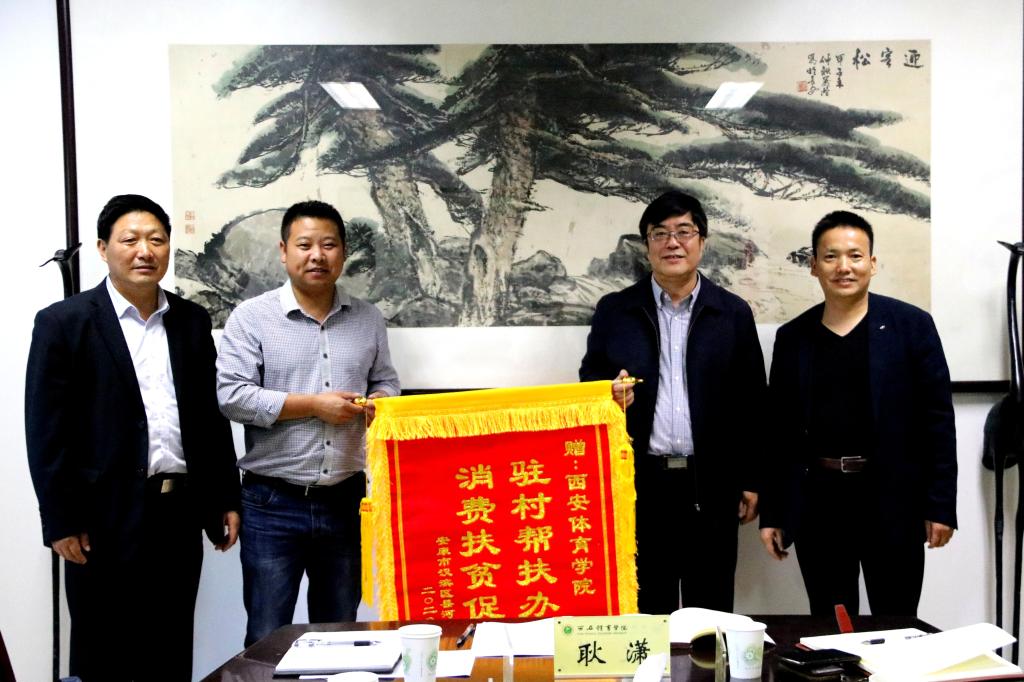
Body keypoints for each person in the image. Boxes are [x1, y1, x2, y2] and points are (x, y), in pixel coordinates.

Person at [25, 194, 241, 681]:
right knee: (103, 654)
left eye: (156, 239)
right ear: (103, 248)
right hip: (100, 519)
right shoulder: (64, 323)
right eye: (130, 239)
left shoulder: (190, 321)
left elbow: (209, 419)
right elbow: (45, 431)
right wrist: (60, 519)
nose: (145, 250)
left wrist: (225, 496)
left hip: (178, 513)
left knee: (170, 650)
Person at [217, 199, 400, 645]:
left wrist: (381, 401)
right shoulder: (251, 317)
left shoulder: (368, 318)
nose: (317, 255)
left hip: (346, 500)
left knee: (338, 633)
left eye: (328, 245)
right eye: (304, 245)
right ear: (284, 251)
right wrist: (313, 405)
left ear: (343, 253)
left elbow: (386, 380)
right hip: (271, 502)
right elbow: (232, 397)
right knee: (267, 636)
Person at [758, 210, 957, 617]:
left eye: (855, 256)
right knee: (832, 624)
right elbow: (779, 433)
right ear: (813, 265)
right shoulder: (793, 337)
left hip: (893, 499)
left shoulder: (911, 326)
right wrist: (774, 514)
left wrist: (940, 505)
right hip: (819, 503)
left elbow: (937, 421)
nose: (843, 267)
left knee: (897, 622)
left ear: (873, 263)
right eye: (830, 256)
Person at [579, 190, 767, 614]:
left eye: (684, 231)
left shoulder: (732, 313)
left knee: (710, 613)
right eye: (659, 233)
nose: (672, 243)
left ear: (702, 241)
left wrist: (752, 478)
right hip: (640, 483)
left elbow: (753, 402)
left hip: (712, 482)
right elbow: (589, 383)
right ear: (647, 245)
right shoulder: (615, 311)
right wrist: (608, 392)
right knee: (648, 609)